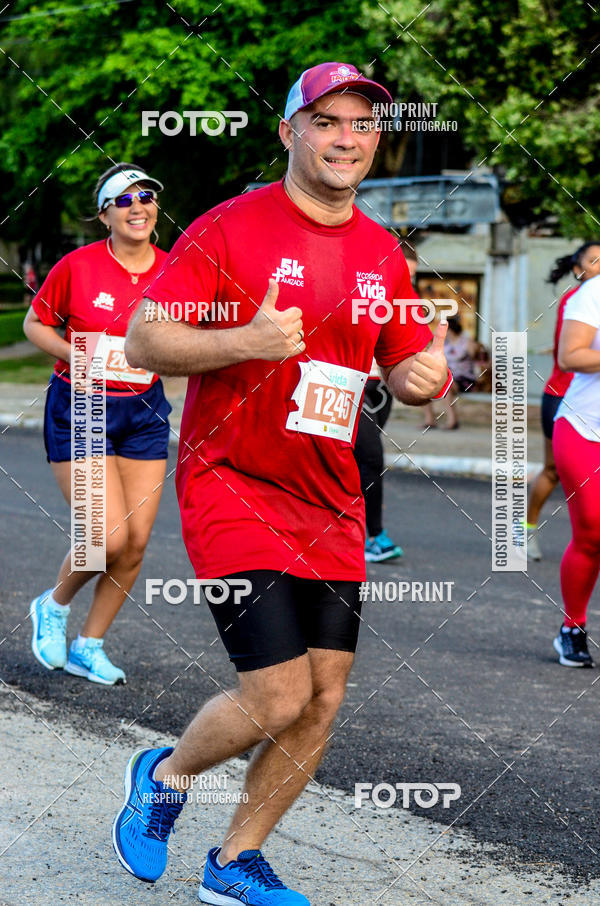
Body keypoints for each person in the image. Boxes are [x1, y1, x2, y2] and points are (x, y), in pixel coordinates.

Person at [112, 62, 451, 905]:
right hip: (231, 481)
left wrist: (427, 375)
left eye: (363, 125)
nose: (347, 139)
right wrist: (244, 341)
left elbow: (409, 363)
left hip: (329, 496)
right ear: (290, 132)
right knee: (278, 690)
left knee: (324, 698)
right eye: (328, 121)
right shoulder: (230, 229)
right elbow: (144, 343)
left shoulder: (381, 251)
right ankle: (166, 773)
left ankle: (233, 863)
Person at [24, 162, 171, 685]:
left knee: (134, 544)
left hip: (145, 409)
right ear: (105, 214)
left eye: (146, 196)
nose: (138, 206)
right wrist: (76, 355)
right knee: (104, 538)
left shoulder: (176, 271)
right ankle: (54, 604)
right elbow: (34, 324)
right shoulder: (77, 267)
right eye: (123, 199)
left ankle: (90, 645)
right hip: (83, 404)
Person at [525, 242, 600, 560]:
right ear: (578, 269)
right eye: (594, 261)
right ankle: (524, 531)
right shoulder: (578, 298)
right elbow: (572, 356)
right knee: (552, 471)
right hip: (564, 397)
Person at [353, 243, 419, 562]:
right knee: (370, 459)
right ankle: (374, 537)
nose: (405, 283)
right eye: (402, 275)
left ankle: (347, 529)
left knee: (359, 458)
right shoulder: (357, 289)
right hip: (350, 383)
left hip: (383, 386)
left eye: (412, 277)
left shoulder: (406, 301)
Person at [552, 245, 600, 668]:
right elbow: (571, 355)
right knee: (593, 533)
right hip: (585, 429)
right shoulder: (594, 292)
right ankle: (573, 626)